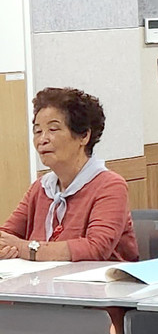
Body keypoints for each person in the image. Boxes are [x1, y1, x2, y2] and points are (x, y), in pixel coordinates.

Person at [0, 87, 138, 262]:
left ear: (84, 136)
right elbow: (6, 235)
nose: (42, 139)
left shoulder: (110, 186)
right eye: (37, 131)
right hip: (44, 278)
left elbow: (96, 248)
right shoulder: (41, 187)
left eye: (53, 129)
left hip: (100, 279)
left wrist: (24, 248)